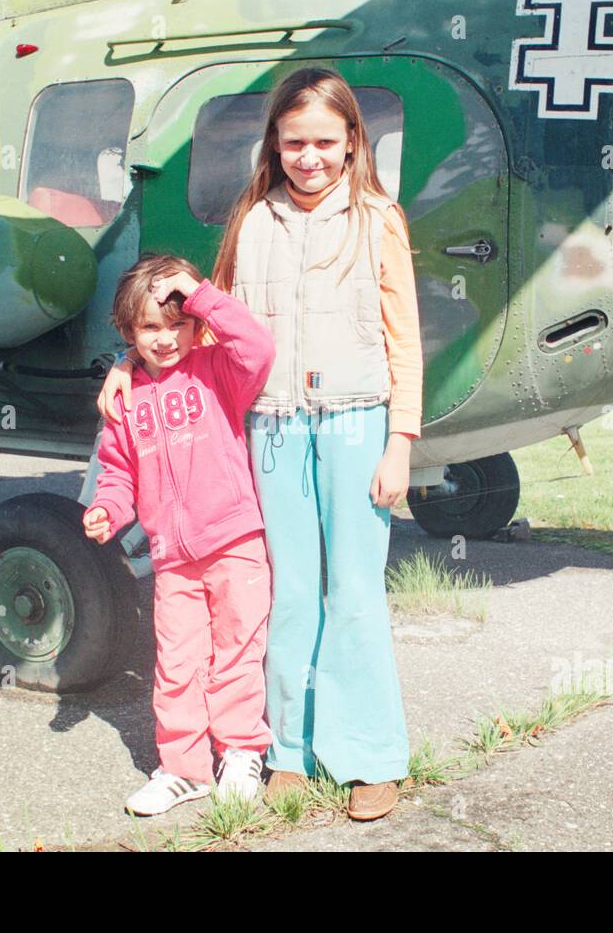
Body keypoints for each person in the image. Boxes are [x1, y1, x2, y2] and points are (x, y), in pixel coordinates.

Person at [100, 67, 423, 821]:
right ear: (273, 146)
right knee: (286, 597)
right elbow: (198, 326)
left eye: (323, 142)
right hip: (273, 432)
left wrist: (400, 440)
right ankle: (286, 751)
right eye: (293, 142)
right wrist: (124, 363)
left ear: (351, 143)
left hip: (354, 421)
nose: (309, 156)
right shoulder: (252, 224)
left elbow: (404, 340)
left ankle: (371, 756)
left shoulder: (379, 218)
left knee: (353, 592)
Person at [84, 253, 276, 816]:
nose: (166, 339)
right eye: (150, 328)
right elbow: (118, 471)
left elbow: (258, 346)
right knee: (177, 663)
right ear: (128, 332)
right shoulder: (123, 398)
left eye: (178, 325)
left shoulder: (219, 370)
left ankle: (241, 751)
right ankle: (184, 769)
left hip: (235, 542)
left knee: (237, 652)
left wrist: (199, 293)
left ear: (196, 323)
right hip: (172, 557)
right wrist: (107, 508)